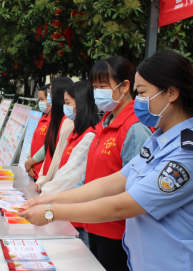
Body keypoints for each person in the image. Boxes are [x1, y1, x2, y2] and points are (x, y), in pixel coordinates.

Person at [20, 51, 193, 271]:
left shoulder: (190, 152)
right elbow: (114, 181)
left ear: (171, 93)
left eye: (142, 93)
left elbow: (123, 205)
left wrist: (51, 212)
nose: (139, 101)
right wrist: (51, 200)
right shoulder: (157, 140)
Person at [69, 56, 151, 270]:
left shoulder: (135, 128)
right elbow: (91, 176)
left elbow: (132, 187)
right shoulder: (105, 122)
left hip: (116, 231)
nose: (97, 92)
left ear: (125, 86)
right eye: (95, 87)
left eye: (103, 86)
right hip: (94, 223)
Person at [41, 80, 100, 247]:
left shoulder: (89, 136)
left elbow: (69, 176)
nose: (65, 107)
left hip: (75, 213)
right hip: (63, 206)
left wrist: (43, 198)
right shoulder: (75, 133)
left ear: (80, 104)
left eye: (68, 103)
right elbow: (60, 167)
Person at [33, 77, 75, 192]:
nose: (49, 96)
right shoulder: (55, 120)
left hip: (51, 185)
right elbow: (49, 152)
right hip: (45, 181)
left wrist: (44, 181)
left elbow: (57, 159)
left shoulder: (68, 122)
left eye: (50, 92)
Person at [24, 84, 51, 179]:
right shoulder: (43, 117)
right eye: (39, 99)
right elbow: (34, 140)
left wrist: (31, 162)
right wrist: (29, 160)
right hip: (33, 169)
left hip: (42, 172)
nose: (40, 102)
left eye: (42, 99)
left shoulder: (55, 121)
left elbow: (48, 146)